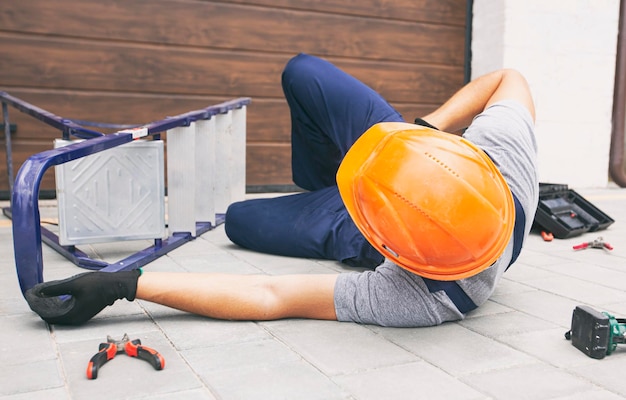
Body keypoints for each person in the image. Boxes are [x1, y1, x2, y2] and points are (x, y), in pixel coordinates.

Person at [25, 53, 538, 328]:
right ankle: (342, 172)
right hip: (400, 149)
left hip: (360, 216)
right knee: (304, 72)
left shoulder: (424, 299)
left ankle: (335, 202)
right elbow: (507, 76)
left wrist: (125, 283)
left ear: (396, 256)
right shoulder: (507, 158)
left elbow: (269, 294)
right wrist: (427, 128)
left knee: (239, 218)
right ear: (469, 157)